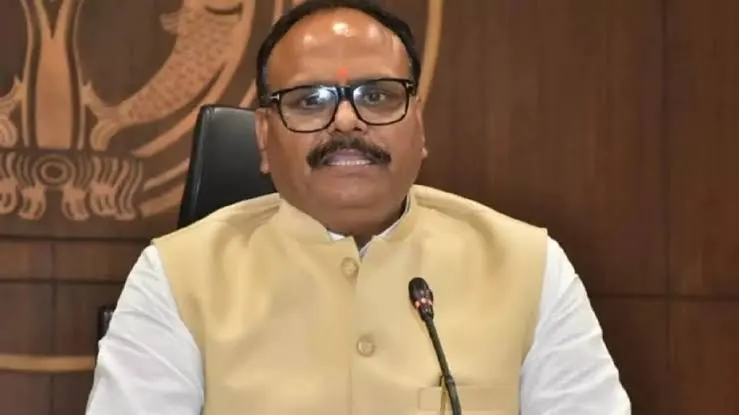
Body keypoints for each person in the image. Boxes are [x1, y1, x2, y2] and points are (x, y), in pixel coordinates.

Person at [85, 0, 631, 414]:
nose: (346, 121)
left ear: (418, 126)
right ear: (263, 137)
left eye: (377, 96)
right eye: (310, 101)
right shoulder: (176, 277)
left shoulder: (529, 267)